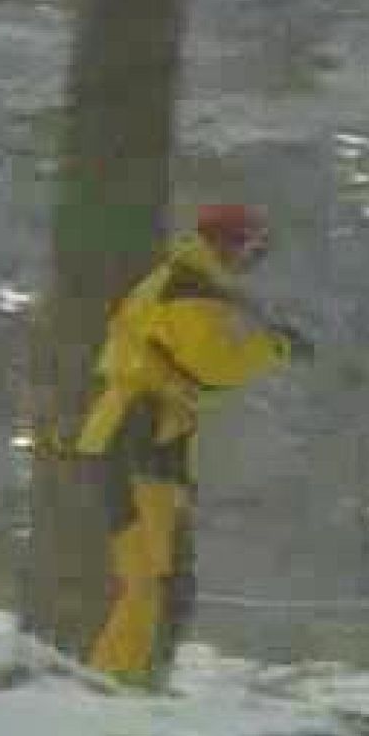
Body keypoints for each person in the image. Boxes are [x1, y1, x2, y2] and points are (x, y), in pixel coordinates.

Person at [74, 204, 314, 690]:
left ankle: (131, 683)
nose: (252, 262)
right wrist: (275, 348)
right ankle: (113, 690)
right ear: (230, 242)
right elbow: (211, 366)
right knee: (153, 580)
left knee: (167, 580)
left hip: (152, 440)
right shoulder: (186, 286)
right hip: (136, 439)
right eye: (251, 249)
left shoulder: (196, 286)